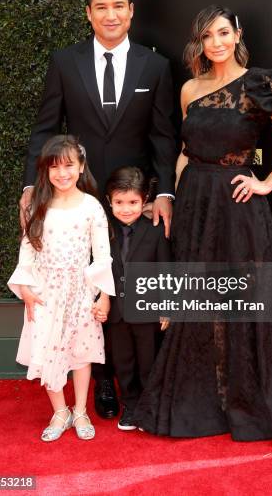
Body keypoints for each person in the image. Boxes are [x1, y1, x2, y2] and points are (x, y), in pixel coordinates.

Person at [134, 5, 272, 446]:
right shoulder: (191, 88)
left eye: (222, 33)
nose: (215, 43)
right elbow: (184, 148)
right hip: (195, 202)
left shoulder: (259, 83)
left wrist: (266, 183)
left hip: (236, 207)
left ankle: (245, 401)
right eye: (206, 36)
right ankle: (201, 400)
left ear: (237, 34)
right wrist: (175, 193)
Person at [19, 0, 177, 419]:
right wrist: (33, 185)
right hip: (81, 202)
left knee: (133, 293)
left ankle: (146, 384)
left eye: (119, 6)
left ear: (131, 12)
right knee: (92, 292)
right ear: (89, 13)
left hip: (135, 203)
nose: (111, 15)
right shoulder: (64, 62)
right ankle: (103, 383)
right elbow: (46, 128)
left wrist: (163, 193)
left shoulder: (156, 66)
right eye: (101, 7)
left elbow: (165, 138)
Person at [8, 135, 115, 441]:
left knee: (81, 355)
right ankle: (60, 412)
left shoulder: (92, 207)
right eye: (54, 166)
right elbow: (27, 250)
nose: (62, 173)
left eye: (69, 165)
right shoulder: (37, 206)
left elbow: (103, 255)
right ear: (45, 170)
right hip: (44, 294)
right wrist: (26, 289)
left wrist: (104, 296)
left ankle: (80, 410)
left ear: (81, 167)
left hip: (81, 292)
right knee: (46, 351)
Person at [97, 166, 171, 430]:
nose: (125, 209)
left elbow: (165, 270)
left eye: (132, 202)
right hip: (116, 313)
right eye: (119, 202)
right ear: (109, 201)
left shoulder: (155, 231)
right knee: (123, 362)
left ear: (144, 201)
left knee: (147, 361)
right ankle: (130, 405)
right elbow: (98, 269)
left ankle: (148, 407)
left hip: (147, 310)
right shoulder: (104, 233)